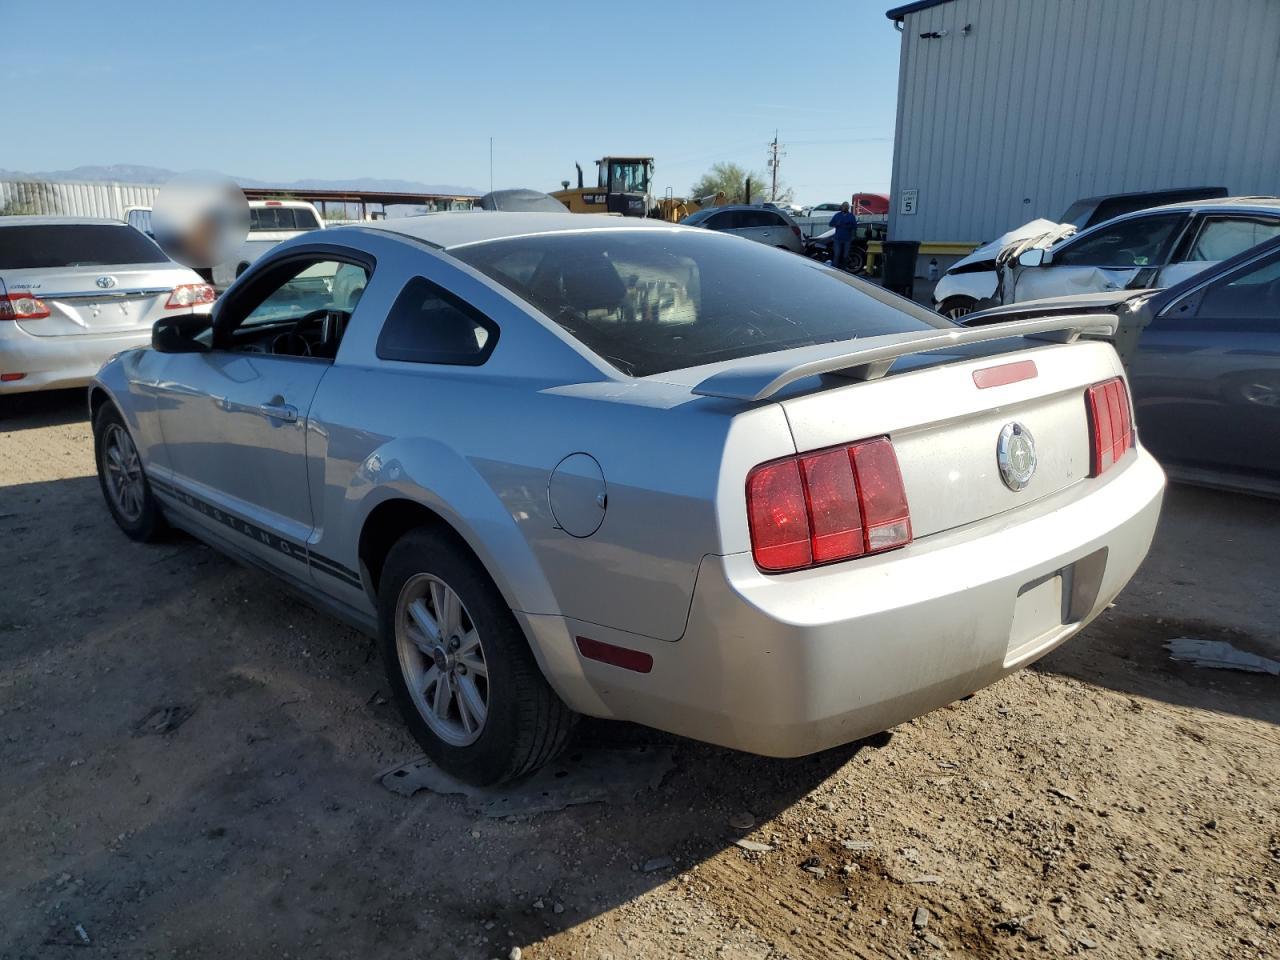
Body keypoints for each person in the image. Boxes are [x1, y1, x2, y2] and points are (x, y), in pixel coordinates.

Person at [829, 201, 859, 271]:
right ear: (841, 207)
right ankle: (834, 270)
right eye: (844, 206)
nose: (845, 207)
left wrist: (853, 236)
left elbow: (855, 227)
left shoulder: (851, 216)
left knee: (845, 256)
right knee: (837, 255)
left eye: (846, 206)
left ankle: (843, 271)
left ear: (848, 208)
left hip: (847, 239)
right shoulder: (837, 215)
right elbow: (830, 224)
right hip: (837, 239)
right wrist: (836, 224)